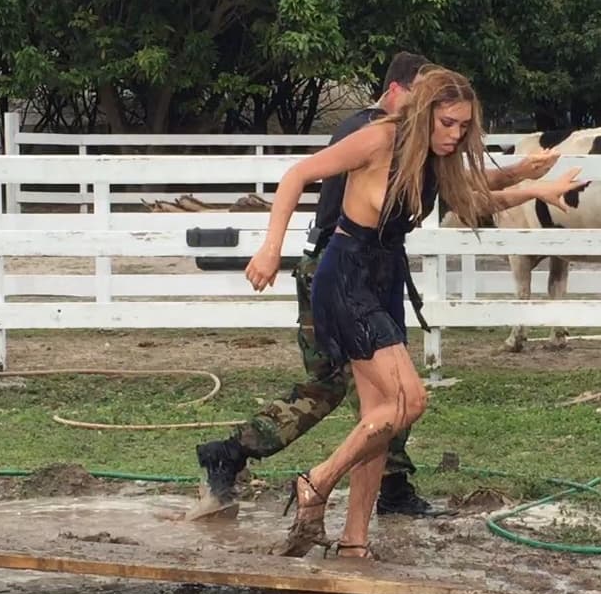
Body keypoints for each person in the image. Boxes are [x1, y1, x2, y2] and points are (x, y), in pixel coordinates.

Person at [185, 53, 563, 522]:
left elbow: (460, 186)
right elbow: (302, 174)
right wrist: (269, 247)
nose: (453, 131)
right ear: (406, 93)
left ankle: (372, 505)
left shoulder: (425, 148)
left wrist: (527, 181)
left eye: (460, 125)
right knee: (339, 387)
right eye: (442, 116)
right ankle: (245, 456)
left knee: (376, 396)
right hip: (337, 265)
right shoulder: (369, 132)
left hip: (378, 272)